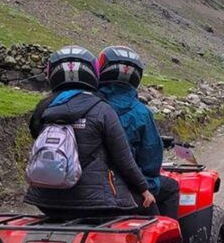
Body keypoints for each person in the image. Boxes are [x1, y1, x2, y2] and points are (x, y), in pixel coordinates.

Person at [25, 45, 155, 218]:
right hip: (93, 203)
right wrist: (144, 189)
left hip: (44, 201)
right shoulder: (102, 109)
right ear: (93, 72)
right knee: (152, 208)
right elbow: (123, 158)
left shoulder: (43, 108)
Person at [97, 46, 180, 220]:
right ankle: (172, 235)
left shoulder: (89, 105)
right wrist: (146, 184)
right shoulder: (141, 112)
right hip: (126, 188)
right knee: (171, 187)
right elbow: (151, 161)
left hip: (87, 186)